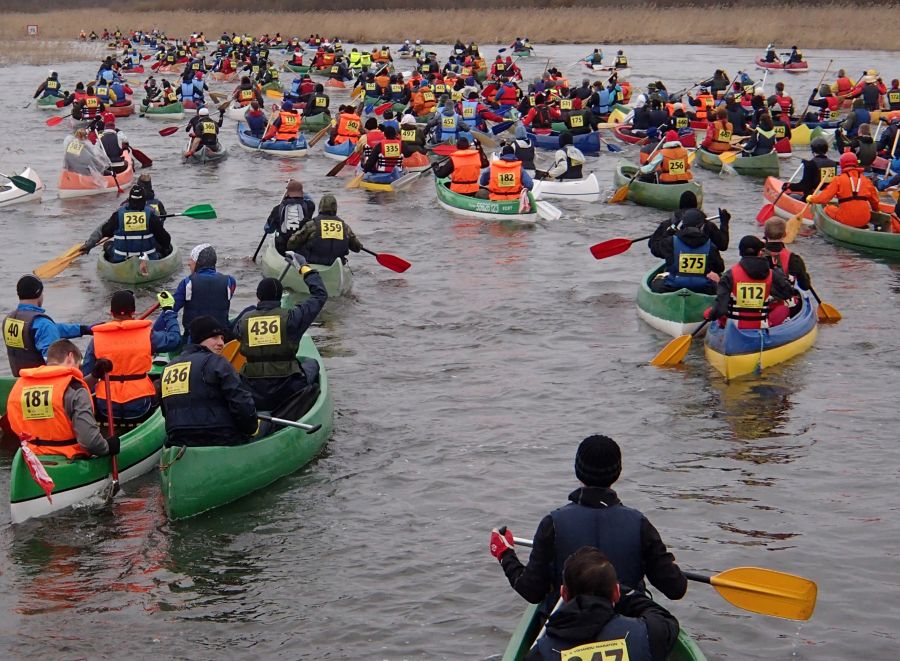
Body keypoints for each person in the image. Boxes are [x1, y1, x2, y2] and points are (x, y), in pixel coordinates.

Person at [490, 435, 686, 614]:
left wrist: (505, 554)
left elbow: (532, 591)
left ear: (578, 471)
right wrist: (668, 563)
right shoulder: (640, 524)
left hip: (566, 627)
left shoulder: (552, 524)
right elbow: (676, 589)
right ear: (618, 472)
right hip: (627, 624)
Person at [526, 547, 680, 661]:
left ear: (564, 594)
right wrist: (626, 594)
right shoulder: (647, 634)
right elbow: (661, 615)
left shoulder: (541, 653)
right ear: (616, 593)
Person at [231, 261, 326, 411]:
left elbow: (234, 333)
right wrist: (305, 269)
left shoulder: (244, 321)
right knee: (311, 363)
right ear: (280, 297)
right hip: (287, 390)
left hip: (252, 391)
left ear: (258, 296)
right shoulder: (293, 318)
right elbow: (320, 295)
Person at [81, 289, 181, 421]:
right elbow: (175, 340)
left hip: (106, 407)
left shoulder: (96, 339)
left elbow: (86, 376)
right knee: (161, 383)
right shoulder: (148, 335)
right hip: (140, 405)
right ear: (133, 312)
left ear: (111, 313)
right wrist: (168, 311)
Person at [7, 339, 117, 458]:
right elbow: (89, 442)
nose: (78, 370)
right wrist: (107, 447)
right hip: (68, 458)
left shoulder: (20, 385)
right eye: (77, 365)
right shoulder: (75, 390)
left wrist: (94, 376)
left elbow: (62, 393)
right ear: (70, 357)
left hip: (32, 457)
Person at [159, 316, 258, 447]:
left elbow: (166, 411)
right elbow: (241, 402)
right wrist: (250, 429)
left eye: (222, 338)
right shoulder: (217, 362)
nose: (221, 343)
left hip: (179, 439)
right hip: (219, 437)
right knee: (265, 426)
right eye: (214, 337)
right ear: (201, 339)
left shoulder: (167, 369)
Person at [4, 275, 91, 377]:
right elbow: (55, 365)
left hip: (21, 380)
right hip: (43, 383)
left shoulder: (9, 319)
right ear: (39, 293)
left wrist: (82, 329)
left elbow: (44, 330)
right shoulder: (43, 325)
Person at [705, 236, 799, 329]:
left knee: (713, 311)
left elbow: (720, 309)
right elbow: (787, 294)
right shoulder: (771, 274)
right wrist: (779, 272)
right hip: (761, 327)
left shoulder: (729, 275)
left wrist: (710, 315)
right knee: (783, 309)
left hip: (734, 329)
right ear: (760, 252)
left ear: (740, 252)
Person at [81, 185, 172, 264]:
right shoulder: (152, 216)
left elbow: (102, 231)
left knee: (107, 245)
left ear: (129, 200)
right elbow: (166, 240)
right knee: (163, 249)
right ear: (144, 201)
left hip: (120, 259)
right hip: (147, 260)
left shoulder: (118, 215)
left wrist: (89, 245)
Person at [648, 208, 724, 294]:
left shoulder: (671, 242)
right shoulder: (710, 245)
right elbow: (719, 267)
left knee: (654, 283)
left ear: (683, 224)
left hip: (674, 286)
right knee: (720, 286)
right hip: (703, 288)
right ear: (702, 226)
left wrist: (667, 233)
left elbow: (654, 248)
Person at [173, 244, 236, 339]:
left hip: (194, 340)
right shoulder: (230, 281)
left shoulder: (187, 283)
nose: (188, 263)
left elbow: (171, 311)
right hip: (222, 338)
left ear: (198, 262)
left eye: (191, 259)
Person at [807, 151, 880, 228]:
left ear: (841, 164)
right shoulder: (866, 180)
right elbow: (875, 201)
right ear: (856, 163)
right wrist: (877, 210)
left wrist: (811, 198)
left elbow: (823, 199)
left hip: (847, 219)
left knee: (828, 208)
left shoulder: (838, 179)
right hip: (865, 219)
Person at [286, 194, 363, 265]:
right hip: (335, 266)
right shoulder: (345, 227)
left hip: (313, 264)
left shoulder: (312, 225)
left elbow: (291, 243)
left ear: (320, 207)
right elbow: (357, 248)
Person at [763, 218, 811, 323]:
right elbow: (805, 286)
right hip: (786, 306)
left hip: (759, 306)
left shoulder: (755, 256)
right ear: (785, 234)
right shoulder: (794, 259)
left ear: (765, 235)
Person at [655, 191, 729, 251]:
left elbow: (654, 247)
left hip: (675, 266)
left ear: (680, 206)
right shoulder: (708, 226)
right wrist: (724, 223)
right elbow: (723, 245)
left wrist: (667, 234)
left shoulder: (669, 224)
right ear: (696, 206)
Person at [265, 179, 316, 255]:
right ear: (302, 192)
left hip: (283, 249)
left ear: (287, 194)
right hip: (302, 248)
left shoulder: (277, 209)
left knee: (277, 234)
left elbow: (268, 229)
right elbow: (308, 198)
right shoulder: (310, 206)